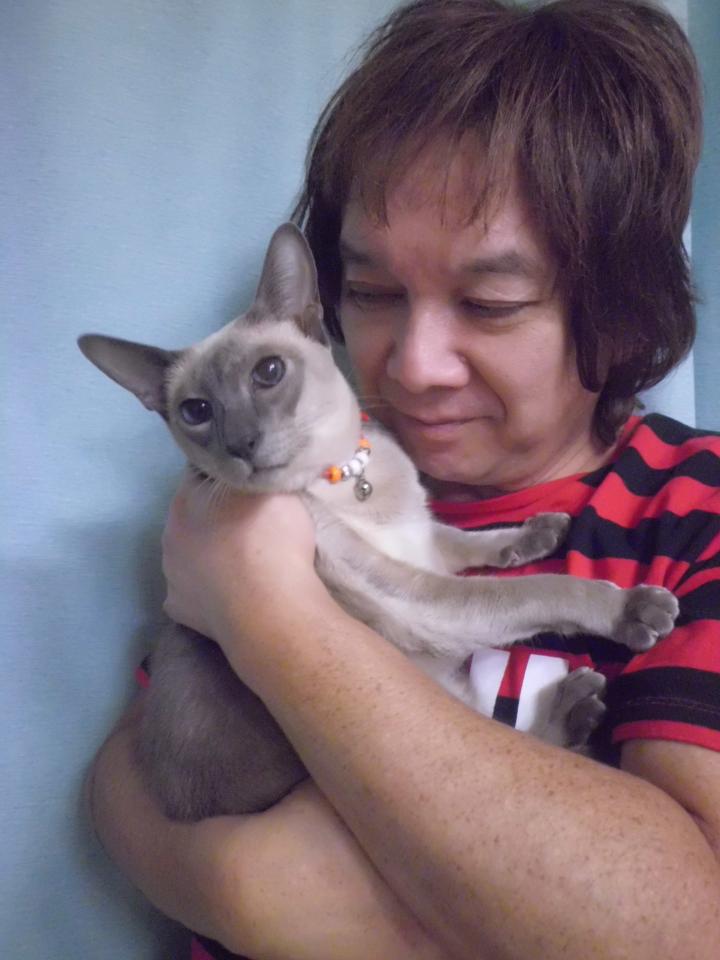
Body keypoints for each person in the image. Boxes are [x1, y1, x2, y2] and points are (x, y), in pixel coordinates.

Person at [87, 1, 720, 958]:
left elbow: (686, 927)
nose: (413, 367)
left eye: (490, 302)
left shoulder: (691, 512)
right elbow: (129, 774)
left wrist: (272, 617)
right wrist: (241, 885)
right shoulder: (301, 482)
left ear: (622, 308)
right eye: (372, 293)